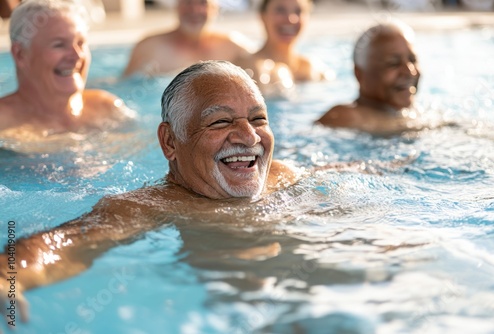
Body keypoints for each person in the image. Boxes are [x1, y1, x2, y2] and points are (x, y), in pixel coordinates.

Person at [1, 60, 393, 324]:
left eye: (258, 119)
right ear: (170, 142)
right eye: (221, 122)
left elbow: (353, 178)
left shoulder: (284, 177)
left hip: (304, 295)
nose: (248, 136)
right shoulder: (147, 206)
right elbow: (63, 243)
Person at [0, 0, 134, 137]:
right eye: (59, 45)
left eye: (80, 43)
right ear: (20, 54)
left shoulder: (108, 110)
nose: (77, 55)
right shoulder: (3, 124)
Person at [316, 21, 438, 137]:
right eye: (393, 63)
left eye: (413, 60)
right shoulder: (344, 117)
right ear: (360, 74)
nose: (409, 71)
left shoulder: (421, 114)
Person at [122, 0, 252, 77]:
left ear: (214, 8)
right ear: (177, 6)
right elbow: (125, 89)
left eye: (202, 2)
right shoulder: (150, 48)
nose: (194, 10)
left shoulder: (234, 47)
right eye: (188, 1)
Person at [234, 0, 332, 96]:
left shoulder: (315, 69)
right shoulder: (248, 68)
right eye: (280, 10)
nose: (290, 19)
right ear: (263, 16)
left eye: (298, 11)